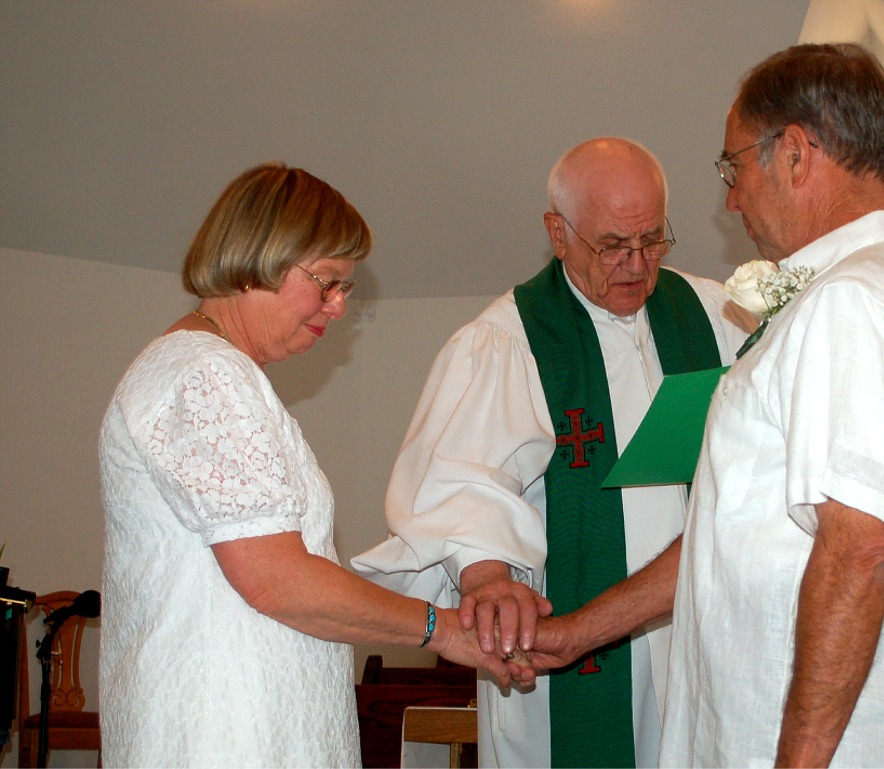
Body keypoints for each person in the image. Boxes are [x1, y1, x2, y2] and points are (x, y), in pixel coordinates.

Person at [99, 162, 524, 768]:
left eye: (345, 287)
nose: (339, 306)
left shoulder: (211, 369)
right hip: (225, 734)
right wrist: (445, 629)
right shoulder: (205, 373)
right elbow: (277, 580)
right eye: (327, 282)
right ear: (260, 257)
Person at [353, 137, 748, 768]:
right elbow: (460, 483)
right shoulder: (507, 340)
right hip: (566, 647)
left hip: (694, 631)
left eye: (652, 240)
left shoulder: (712, 312)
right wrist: (487, 578)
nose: (637, 264)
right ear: (557, 233)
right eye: (613, 245)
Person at [658, 44, 884, 768]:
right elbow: (741, 533)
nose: (732, 198)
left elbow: (859, 549)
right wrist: (579, 631)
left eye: (734, 167)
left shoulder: (853, 301)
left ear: (795, 154)